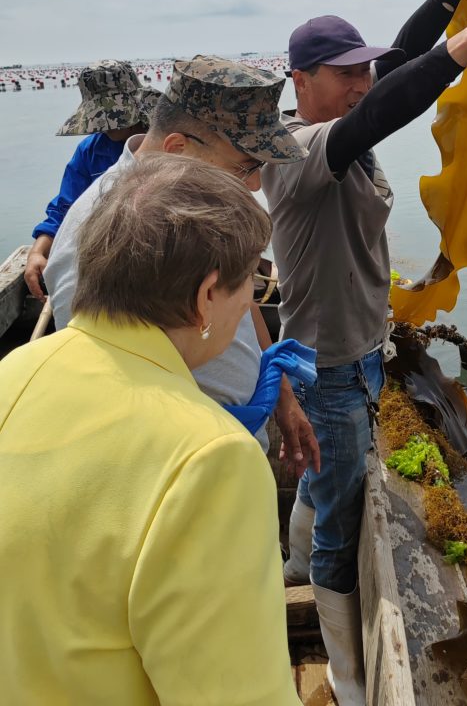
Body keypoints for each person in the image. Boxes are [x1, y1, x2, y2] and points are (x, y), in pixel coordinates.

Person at [261, 0, 467, 705]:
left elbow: (395, 73)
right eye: (343, 72)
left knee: (325, 482)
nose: (360, 82)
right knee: (340, 521)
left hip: (352, 356)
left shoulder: (342, 130)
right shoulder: (298, 149)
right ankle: (354, 682)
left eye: (364, 69)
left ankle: (288, 565)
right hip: (325, 370)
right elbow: (385, 106)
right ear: (301, 79)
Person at [0, 155, 301, 705]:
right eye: (251, 284)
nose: (252, 303)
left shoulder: (13, 373)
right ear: (207, 296)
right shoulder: (211, 459)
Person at [45, 55, 320, 471]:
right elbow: (103, 393)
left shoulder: (198, 206)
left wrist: (280, 393)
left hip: (236, 442)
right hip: (178, 469)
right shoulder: (93, 240)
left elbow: (242, 301)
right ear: (177, 149)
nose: (254, 185)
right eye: (246, 166)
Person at [24, 59, 161, 300]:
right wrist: (37, 252)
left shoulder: (165, 141)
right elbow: (65, 208)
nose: (105, 126)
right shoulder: (90, 150)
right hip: (105, 255)